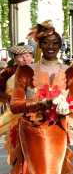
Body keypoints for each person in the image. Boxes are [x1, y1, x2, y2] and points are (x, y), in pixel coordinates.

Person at [10, 21, 73, 174]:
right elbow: (14, 105)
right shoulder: (25, 70)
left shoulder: (71, 71)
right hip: (32, 128)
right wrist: (42, 103)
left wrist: (67, 107)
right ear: (39, 45)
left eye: (55, 43)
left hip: (58, 128)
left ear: (60, 46)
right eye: (46, 42)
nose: (51, 46)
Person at [0, 44, 34, 172]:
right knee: (17, 150)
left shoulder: (39, 70)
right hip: (15, 118)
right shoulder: (8, 72)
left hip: (37, 116)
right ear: (15, 58)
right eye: (21, 57)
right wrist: (9, 98)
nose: (25, 59)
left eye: (28, 56)